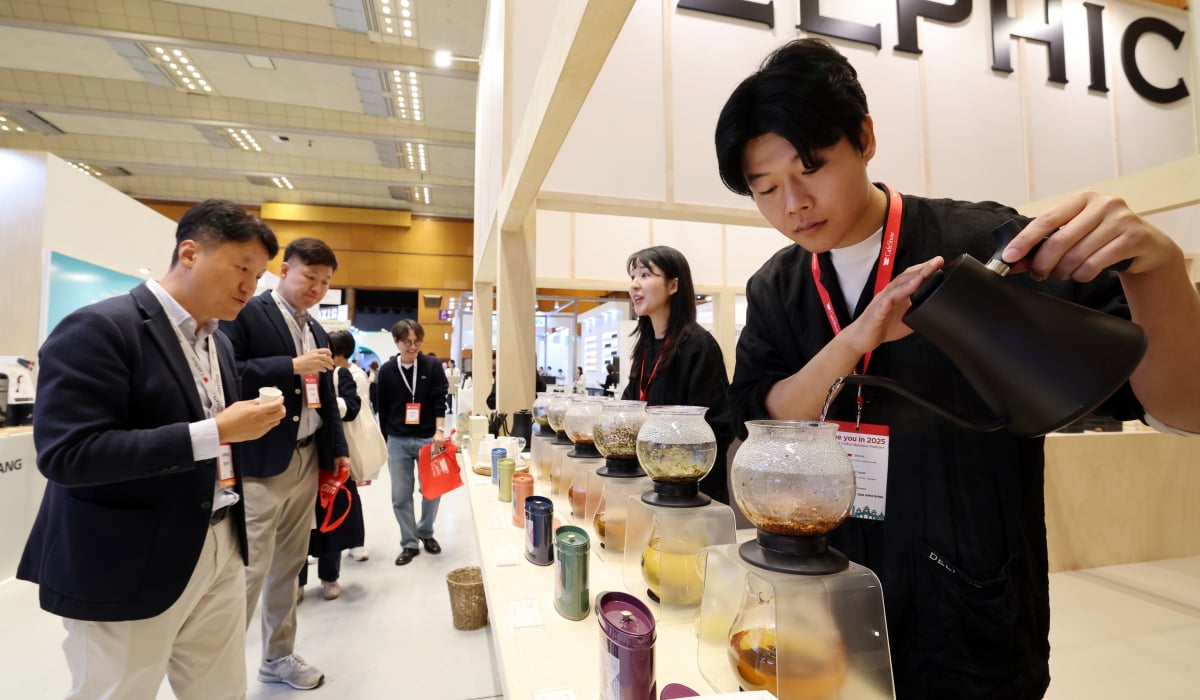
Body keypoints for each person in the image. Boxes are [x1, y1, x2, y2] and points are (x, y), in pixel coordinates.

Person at [715, 38, 1200, 700]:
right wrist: (855, 337)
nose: (793, 203)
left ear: (864, 137)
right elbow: (764, 419)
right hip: (817, 596)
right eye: (765, 189)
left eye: (812, 166)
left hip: (970, 605)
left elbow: (1181, 407)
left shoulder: (986, 250)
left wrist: (1162, 272)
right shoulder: (777, 288)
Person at [18, 199, 286, 699]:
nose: (251, 286)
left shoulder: (220, 342)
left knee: (221, 689)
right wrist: (215, 431)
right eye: (242, 268)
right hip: (126, 556)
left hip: (220, 544)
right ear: (189, 253)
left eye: (260, 274)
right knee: (118, 688)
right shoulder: (101, 328)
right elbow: (67, 454)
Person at [221, 237, 350, 691]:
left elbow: (326, 398)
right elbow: (230, 374)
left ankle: (277, 656)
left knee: (291, 563)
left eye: (325, 281)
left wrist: (337, 450)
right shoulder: (247, 314)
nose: (316, 287)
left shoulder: (316, 328)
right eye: (309, 277)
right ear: (285, 271)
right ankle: (220, 669)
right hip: (259, 465)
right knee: (249, 569)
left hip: (307, 457)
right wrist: (290, 365)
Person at [621, 246, 733, 504]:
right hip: (652, 481)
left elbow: (717, 426)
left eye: (646, 275)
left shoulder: (699, 345)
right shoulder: (645, 345)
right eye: (633, 277)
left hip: (691, 492)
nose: (634, 285)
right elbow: (632, 405)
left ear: (673, 286)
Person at [298, 330, 368, 602]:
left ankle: (330, 576)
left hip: (330, 454)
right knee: (299, 524)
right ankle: (297, 579)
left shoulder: (340, 375)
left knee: (330, 517)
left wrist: (325, 405)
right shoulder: (295, 372)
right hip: (297, 456)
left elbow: (352, 407)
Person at [377, 319, 449, 565]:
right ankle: (409, 542)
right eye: (407, 342)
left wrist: (440, 430)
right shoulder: (386, 371)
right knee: (400, 495)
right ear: (396, 341)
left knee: (432, 491)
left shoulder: (431, 365)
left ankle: (426, 532)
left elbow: (440, 399)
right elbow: (382, 408)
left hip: (429, 438)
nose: (413, 346)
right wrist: (385, 440)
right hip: (397, 440)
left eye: (417, 341)